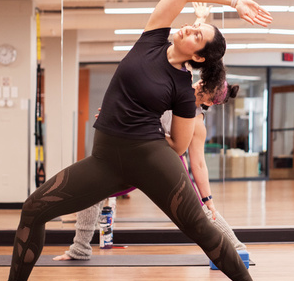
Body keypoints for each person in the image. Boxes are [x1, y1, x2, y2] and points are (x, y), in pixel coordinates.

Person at [0, 0, 280, 281]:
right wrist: (233, 1)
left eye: (198, 35)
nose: (190, 28)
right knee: (34, 208)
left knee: (199, 227)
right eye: (195, 26)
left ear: (199, 55)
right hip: (105, 159)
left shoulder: (182, 89)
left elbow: (177, 144)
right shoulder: (151, 39)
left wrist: (143, 134)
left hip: (149, 158)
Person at [53, 76, 246, 261]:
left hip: (165, 164)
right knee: (91, 193)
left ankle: (237, 249)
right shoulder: (171, 92)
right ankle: (80, 249)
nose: (196, 87)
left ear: (210, 102)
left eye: (202, 90)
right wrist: (117, 115)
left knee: (197, 212)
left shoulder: (195, 122)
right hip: (135, 156)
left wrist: (208, 200)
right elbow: (136, 108)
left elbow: (199, 163)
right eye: (200, 83)